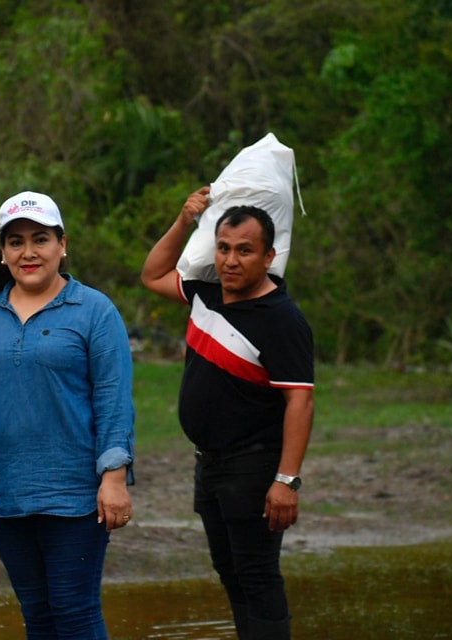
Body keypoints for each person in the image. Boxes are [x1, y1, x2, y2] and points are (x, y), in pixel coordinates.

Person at [0, 191, 135, 639]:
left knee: (74, 612)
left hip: (74, 495)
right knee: (37, 614)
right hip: (4, 493)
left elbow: (114, 400)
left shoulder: (95, 311)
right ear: (3, 253)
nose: (29, 252)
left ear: (62, 244)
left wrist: (114, 478)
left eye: (40, 239)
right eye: (16, 242)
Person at [140, 188, 314, 640]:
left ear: (269, 256)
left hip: (253, 468)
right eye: (223, 248)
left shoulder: (282, 318)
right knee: (230, 571)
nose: (231, 261)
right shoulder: (206, 293)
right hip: (210, 464)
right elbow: (153, 273)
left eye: (244, 251)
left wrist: (286, 481)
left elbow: (300, 400)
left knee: (257, 574)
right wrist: (183, 221)